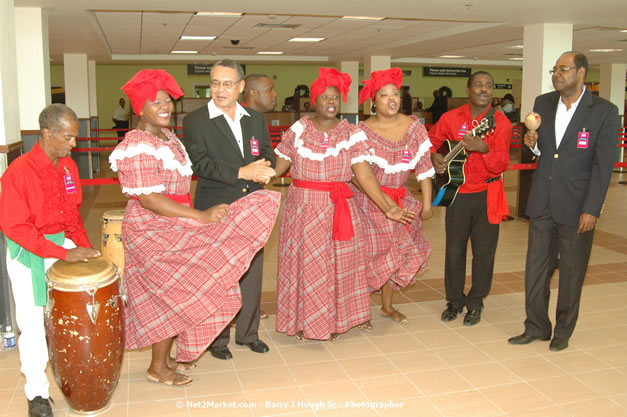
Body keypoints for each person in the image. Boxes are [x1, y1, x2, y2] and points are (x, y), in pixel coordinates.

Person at [109, 69, 280, 386]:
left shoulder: (167, 138)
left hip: (176, 222)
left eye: (167, 101)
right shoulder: (136, 145)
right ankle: (158, 368)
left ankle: (166, 358)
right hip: (153, 229)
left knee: (181, 291)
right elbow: (148, 198)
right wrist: (198, 217)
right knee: (169, 296)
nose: (165, 107)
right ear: (138, 108)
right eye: (156, 102)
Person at [273, 67, 414, 341]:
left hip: (338, 210)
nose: (330, 102)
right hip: (301, 210)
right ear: (313, 101)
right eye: (325, 97)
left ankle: (333, 322)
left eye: (335, 98)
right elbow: (279, 168)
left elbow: (363, 175)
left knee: (336, 267)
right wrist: (247, 172)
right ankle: (305, 321)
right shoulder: (298, 130)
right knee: (306, 266)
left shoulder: (351, 133)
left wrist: (388, 207)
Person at [508, 51, 619, 351]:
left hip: (577, 205)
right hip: (543, 200)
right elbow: (545, 152)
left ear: (581, 73)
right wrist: (532, 146)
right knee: (536, 269)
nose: (557, 74)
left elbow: (603, 165)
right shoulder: (542, 103)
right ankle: (536, 326)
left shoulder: (604, 112)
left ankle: (563, 332)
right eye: (554, 70)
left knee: (571, 272)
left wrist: (592, 209)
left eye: (563, 69)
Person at [0, 104, 101, 417]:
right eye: (68, 137)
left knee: (69, 319)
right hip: (28, 253)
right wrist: (63, 252)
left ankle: (77, 377)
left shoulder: (69, 167)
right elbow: (15, 228)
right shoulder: (18, 172)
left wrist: (87, 250)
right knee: (31, 325)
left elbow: (72, 216)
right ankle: (37, 394)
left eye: (76, 137)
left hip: (63, 247)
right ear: (46, 133)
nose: (74, 144)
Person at [183, 59, 277, 360]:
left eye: (226, 83)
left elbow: (266, 153)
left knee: (251, 271)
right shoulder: (195, 120)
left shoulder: (254, 119)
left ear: (240, 87)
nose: (219, 89)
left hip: (252, 205)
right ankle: (218, 339)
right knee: (220, 274)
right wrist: (242, 172)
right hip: (217, 205)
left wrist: (264, 169)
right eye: (214, 82)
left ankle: (248, 334)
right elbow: (200, 163)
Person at [430, 71, 512, 326]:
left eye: (488, 85)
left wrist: (485, 149)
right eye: (478, 84)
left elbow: (500, 165)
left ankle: (475, 302)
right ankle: (454, 300)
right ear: (468, 89)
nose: (484, 89)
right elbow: (430, 142)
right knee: (454, 251)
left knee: (484, 253)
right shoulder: (451, 117)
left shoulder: (501, 123)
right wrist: (434, 157)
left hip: (488, 194)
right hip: (457, 194)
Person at [353, 67, 434, 323]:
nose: (391, 99)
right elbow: (356, 174)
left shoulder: (414, 128)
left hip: (403, 201)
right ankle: (360, 311)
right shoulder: (361, 131)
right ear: (373, 101)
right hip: (368, 203)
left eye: (395, 94)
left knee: (394, 256)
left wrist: (428, 205)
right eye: (384, 94)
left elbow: (424, 168)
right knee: (367, 256)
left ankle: (387, 306)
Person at [241, 73, 279, 320]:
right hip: (234, 198)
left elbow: (266, 152)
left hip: (255, 197)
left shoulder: (258, 120)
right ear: (253, 93)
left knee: (252, 258)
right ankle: (235, 309)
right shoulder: (236, 118)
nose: (275, 95)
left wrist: (267, 165)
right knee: (237, 258)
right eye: (270, 90)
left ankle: (249, 307)